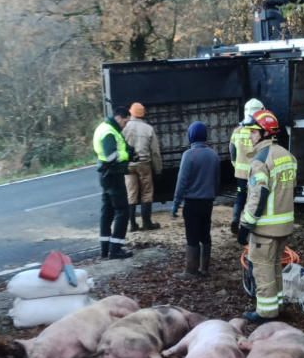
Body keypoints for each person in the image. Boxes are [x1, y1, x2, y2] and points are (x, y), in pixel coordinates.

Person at [237, 109, 297, 322]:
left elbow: (257, 195)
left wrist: (245, 226)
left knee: (262, 271)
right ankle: (278, 305)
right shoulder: (287, 156)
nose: (250, 136)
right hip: (284, 226)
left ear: (264, 133)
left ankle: (266, 313)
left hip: (265, 229)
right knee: (275, 269)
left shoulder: (260, 160)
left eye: (253, 132)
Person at [172, 121, 220, 277]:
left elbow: (182, 181)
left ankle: (191, 270)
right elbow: (217, 179)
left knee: (192, 236)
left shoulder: (188, 155)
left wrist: (176, 203)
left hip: (192, 203)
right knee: (205, 234)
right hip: (208, 202)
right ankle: (204, 268)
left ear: (191, 136)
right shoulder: (214, 155)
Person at [93, 106, 136, 260]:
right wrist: (126, 154)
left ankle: (105, 249)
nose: (125, 125)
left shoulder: (103, 128)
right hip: (113, 175)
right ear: (119, 117)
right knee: (123, 211)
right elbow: (111, 156)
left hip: (105, 175)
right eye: (126, 121)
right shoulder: (109, 132)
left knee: (107, 212)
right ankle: (116, 249)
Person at [123, 102, 163, 232]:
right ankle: (147, 223)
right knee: (146, 193)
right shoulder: (148, 129)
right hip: (144, 164)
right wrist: (158, 169)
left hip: (128, 165)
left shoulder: (124, 127)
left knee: (131, 194)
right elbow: (155, 152)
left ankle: (132, 224)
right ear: (142, 114)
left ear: (131, 113)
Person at [229, 98, 265, 236]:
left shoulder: (237, 131)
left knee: (240, 196)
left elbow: (232, 150)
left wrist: (235, 165)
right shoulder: (259, 132)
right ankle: (248, 225)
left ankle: (235, 219)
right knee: (253, 198)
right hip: (256, 173)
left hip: (240, 173)